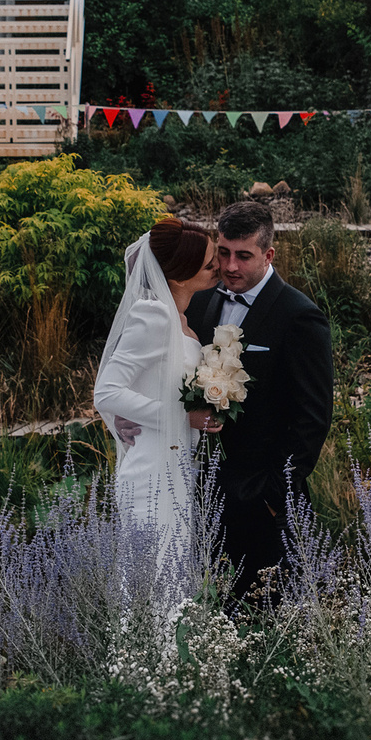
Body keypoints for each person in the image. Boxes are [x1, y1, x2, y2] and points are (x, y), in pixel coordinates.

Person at [183, 198, 333, 595]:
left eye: (244, 256)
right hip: (203, 491)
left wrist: (272, 494)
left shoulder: (300, 316)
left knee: (267, 615)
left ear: (268, 255)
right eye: (224, 253)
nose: (230, 266)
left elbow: (312, 419)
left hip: (263, 502)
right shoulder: (202, 301)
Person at [92, 218, 223, 592]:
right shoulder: (153, 315)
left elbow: (151, 388)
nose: (218, 267)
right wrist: (181, 416)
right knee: (151, 584)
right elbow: (107, 391)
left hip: (179, 467)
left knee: (173, 581)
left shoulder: (183, 319)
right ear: (180, 276)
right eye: (210, 261)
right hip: (151, 471)